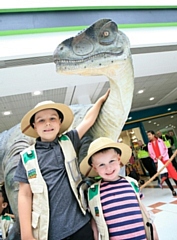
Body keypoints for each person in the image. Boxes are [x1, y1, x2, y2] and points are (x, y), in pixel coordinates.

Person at [14, 90, 109, 240]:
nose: (48, 123)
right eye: (41, 120)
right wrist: (26, 234)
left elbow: (87, 121)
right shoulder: (27, 157)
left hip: (81, 224)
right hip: (50, 233)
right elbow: (24, 194)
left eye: (53, 118)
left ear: (60, 122)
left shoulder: (69, 140)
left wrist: (100, 101)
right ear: (34, 126)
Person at [80, 137, 159, 240]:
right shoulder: (94, 192)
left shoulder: (131, 183)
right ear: (95, 168)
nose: (108, 168)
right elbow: (95, 221)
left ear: (118, 159)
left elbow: (144, 212)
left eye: (111, 161)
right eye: (101, 165)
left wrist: (154, 233)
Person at [147, 130, 177, 196]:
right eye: (148, 135)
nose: (148, 136)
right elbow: (150, 154)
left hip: (165, 160)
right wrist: (155, 158)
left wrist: (162, 156)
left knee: (172, 173)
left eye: (149, 135)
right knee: (164, 176)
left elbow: (165, 149)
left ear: (153, 135)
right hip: (158, 162)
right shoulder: (149, 144)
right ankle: (172, 190)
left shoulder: (160, 141)